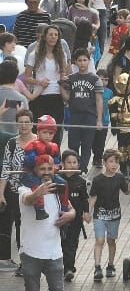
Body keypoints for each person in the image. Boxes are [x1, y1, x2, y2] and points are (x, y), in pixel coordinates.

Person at [18, 151, 74, 291]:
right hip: (30, 252)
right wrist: (39, 192)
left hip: (54, 252)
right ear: (35, 170)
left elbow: (71, 209)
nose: (47, 172)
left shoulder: (58, 188)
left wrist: (70, 215)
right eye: (42, 169)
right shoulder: (25, 188)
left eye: (49, 168)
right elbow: (27, 200)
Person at [88, 149, 130, 282]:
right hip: (99, 215)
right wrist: (88, 212)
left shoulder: (119, 177)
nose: (114, 164)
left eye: (116, 162)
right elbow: (93, 197)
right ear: (104, 163)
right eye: (111, 161)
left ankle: (110, 265)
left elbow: (126, 191)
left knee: (111, 241)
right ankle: (97, 267)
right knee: (99, 240)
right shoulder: (98, 179)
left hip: (114, 215)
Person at [0, 108, 36, 272]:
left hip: (33, 191)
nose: (23, 125)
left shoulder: (39, 142)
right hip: (14, 191)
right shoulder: (12, 143)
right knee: (15, 224)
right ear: (16, 124)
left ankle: (27, 262)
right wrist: (1, 193)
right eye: (20, 122)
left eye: (26, 122)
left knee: (28, 226)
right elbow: (6, 168)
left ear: (32, 124)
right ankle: (20, 261)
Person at [60, 48, 103, 172]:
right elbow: (67, 98)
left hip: (90, 116)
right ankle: (72, 169)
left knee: (87, 144)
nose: (82, 63)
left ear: (89, 61)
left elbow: (99, 100)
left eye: (85, 60)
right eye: (80, 60)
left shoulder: (95, 79)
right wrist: (62, 86)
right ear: (75, 62)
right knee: (73, 144)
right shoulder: (71, 78)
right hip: (75, 115)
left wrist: (99, 119)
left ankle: (83, 170)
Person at [24, 26, 69, 142]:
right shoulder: (35, 54)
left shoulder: (62, 54)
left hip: (57, 96)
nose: (53, 37)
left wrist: (64, 79)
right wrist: (39, 81)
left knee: (55, 130)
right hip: (40, 95)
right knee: (39, 130)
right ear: (45, 37)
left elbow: (63, 74)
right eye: (51, 34)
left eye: (56, 35)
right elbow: (27, 77)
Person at [58, 149, 88, 282]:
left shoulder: (81, 181)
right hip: (60, 218)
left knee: (72, 243)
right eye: (69, 162)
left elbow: (84, 199)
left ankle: (69, 268)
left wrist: (86, 212)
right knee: (61, 243)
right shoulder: (58, 179)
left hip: (76, 220)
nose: (72, 165)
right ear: (63, 163)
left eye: (74, 162)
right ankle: (61, 268)